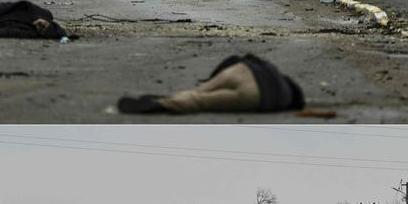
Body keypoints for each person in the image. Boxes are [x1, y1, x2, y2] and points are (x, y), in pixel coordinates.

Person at [118, 53, 305, 114]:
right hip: (256, 96)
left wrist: (212, 78)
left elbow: (235, 59)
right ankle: (165, 103)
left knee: (199, 91)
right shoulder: (284, 98)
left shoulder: (272, 70)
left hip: (242, 70)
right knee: (202, 102)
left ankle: (177, 96)